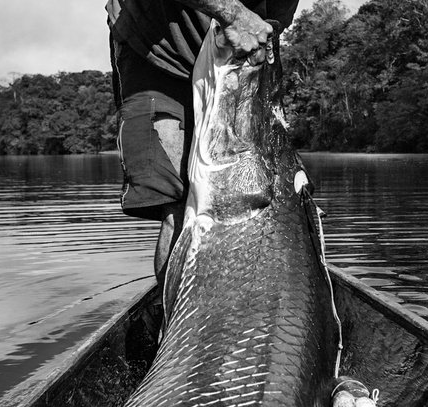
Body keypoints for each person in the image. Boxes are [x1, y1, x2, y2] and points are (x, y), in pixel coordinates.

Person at [106, 0, 299, 289]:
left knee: (276, 192)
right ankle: (177, 317)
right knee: (180, 204)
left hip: (241, 47)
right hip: (158, 50)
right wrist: (233, 14)